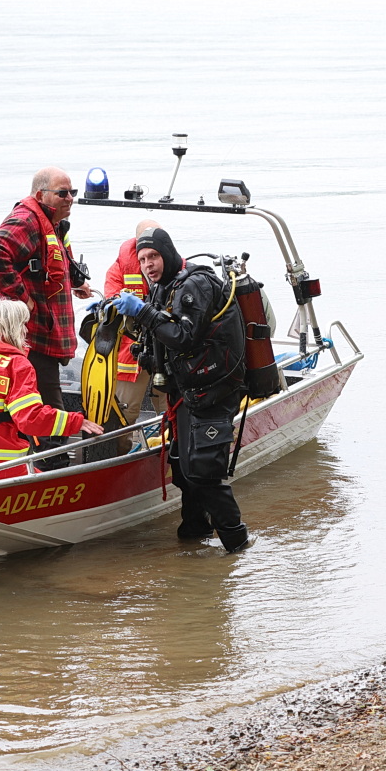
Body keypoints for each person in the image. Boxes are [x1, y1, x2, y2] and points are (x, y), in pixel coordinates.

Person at [110, 228, 250, 553]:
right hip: (187, 391)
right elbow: (162, 338)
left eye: (154, 256)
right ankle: (194, 535)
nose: (148, 264)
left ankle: (238, 544)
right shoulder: (162, 288)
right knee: (184, 471)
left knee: (203, 473)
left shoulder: (194, 285)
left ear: (168, 254)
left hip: (214, 389)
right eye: (142, 259)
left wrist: (143, 312)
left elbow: (184, 336)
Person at [0, 167, 94, 469]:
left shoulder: (54, 223)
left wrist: (74, 283)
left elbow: (45, 267)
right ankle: (51, 473)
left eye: (73, 193)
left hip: (44, 336)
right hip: (32, 340)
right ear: (41, 195)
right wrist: (22, 299)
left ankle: (39, 463)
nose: (70, 198)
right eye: (63, 193)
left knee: (39, 407)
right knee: (50, 413)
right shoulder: (27, 219)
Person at [0, 299, 104, 478]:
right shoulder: (17, 365)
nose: (26, 330)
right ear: (12, 327)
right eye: (23, 324)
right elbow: (31, 419)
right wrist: (76, 422)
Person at [102, 218, 169, 455]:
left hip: (167, 349)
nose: (149, 262)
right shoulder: (119, 269)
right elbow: (112, 307)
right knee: (124, 414)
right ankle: (119, 459)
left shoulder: (176, 267)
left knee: (171, 408)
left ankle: (171, 454)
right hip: (132, 356)